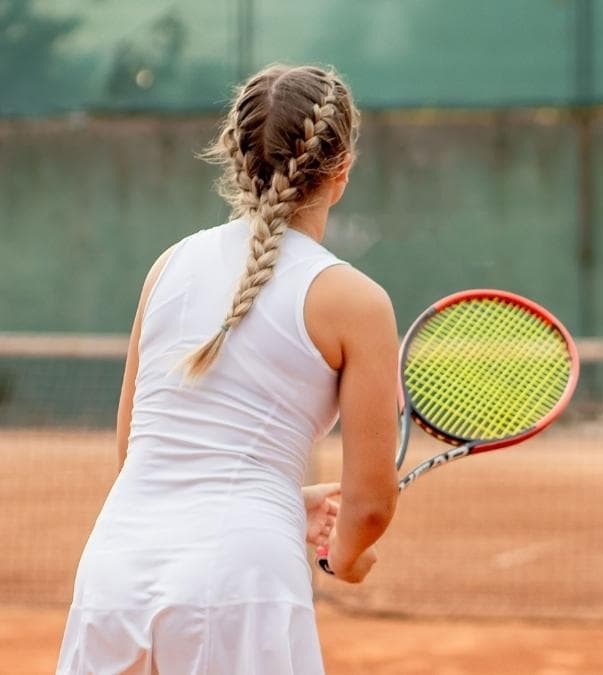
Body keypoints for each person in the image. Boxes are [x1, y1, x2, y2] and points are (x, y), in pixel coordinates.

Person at [57, 64, 399, 674]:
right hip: (240, 585)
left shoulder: (167, 267)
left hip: (113, 574)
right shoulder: (356, 300)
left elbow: (141, 458)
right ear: (342, 169)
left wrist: (282, 502)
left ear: (235, 159)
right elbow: (370, 508)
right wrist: (344, 557)